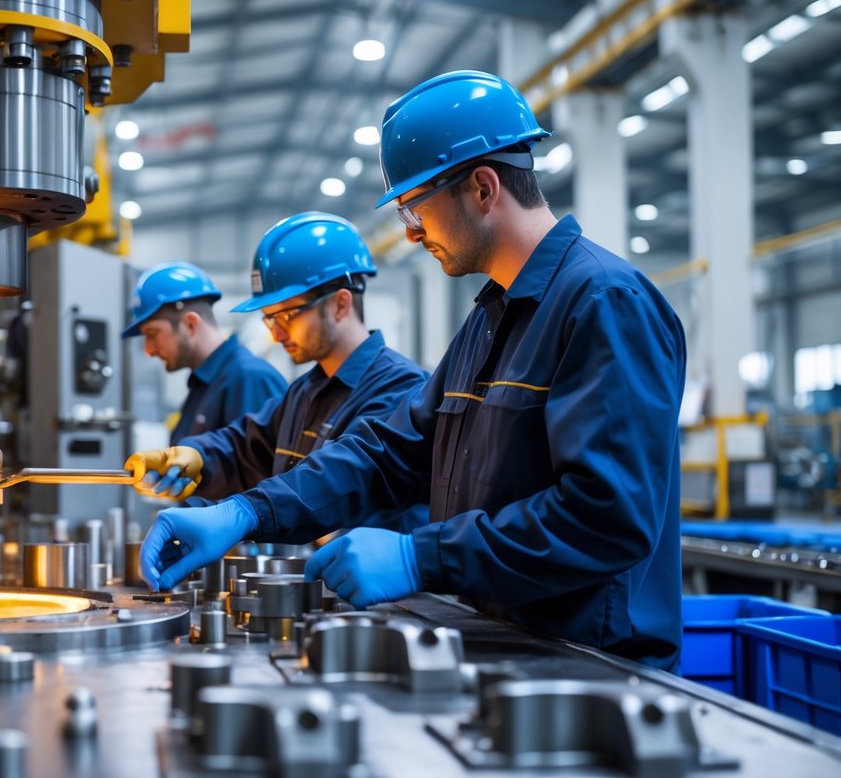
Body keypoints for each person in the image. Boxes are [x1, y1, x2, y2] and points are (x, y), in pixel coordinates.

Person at [137, 70, 688, 672]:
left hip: (595, 666)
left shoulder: (604, 302)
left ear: (483, 188)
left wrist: (420, 558)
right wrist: (248, 512)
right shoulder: (490, 319)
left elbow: (606, 517)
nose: (410, 230)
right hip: (510, 647)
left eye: (415, 205)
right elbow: (393, 451)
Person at [123, 214, 427, 537]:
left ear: (340, 304)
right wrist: (198, 455)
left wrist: (245, 512)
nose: (276, 333)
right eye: (269, 319)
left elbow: (334, 477)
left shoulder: (402, 390)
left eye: (287, 315)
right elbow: (246, 445)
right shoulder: (305, 391)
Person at [123, 261, 286, 445]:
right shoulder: (204, 383)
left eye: (152, 334)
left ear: (190, 324)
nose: (148, 350)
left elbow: (263, 460)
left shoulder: (250, 378)